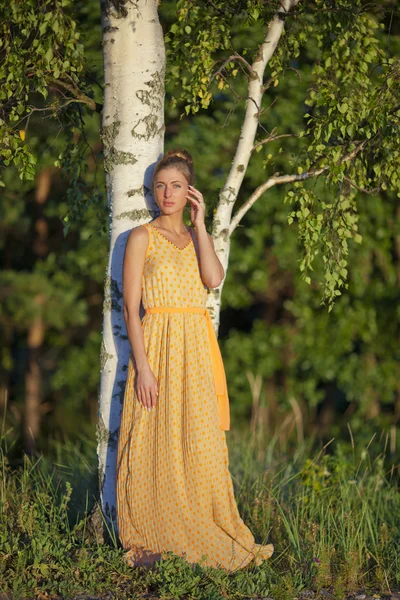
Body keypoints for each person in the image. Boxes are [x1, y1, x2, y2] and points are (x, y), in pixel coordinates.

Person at [116, 148, 274, 571]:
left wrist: (202, 225)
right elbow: (131, 309)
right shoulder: (140, 237)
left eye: (177, 186)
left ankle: (206, 523)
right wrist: (144, 367)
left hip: (196, 352)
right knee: (154, 439)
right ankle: (154, 535)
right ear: (152, 192)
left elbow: (213, 278)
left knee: (200, 442)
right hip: (159, 346)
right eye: (161, 186)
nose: (167, 194)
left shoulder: (193, 236)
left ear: (191, 192)